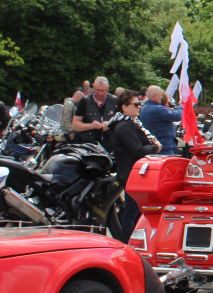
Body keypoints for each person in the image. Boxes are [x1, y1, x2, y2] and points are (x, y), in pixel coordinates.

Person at [109, 90, 160, 242]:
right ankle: (127, 243)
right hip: (131, 174)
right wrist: (156, 147)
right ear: (124, 107)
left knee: (136, 211)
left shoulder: (131, 123)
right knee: (132, 212)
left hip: (136, 173)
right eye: (136, 104)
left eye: (140, 104)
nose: (139, 107)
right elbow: (138, 150)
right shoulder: (124, 126)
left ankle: (134, 242)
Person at [72, 76, 118, 146]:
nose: (100, 93)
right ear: (93, 87)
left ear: (108, 88)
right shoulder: (84, 101)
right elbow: (75, 125)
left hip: (110, 143)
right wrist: (91, 126)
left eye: (103, 91)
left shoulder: (115, 100)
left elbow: (122, 122)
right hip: (89, 144)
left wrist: (110, 124)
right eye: (97, 90)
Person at [139, 85, 183, 157]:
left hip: (155, 146)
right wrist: (182, 105)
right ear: (155, 95)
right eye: (160, 95)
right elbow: (177, 116)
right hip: (164, 148)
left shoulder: (144, 108)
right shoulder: (158, 109)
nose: (161, 97)